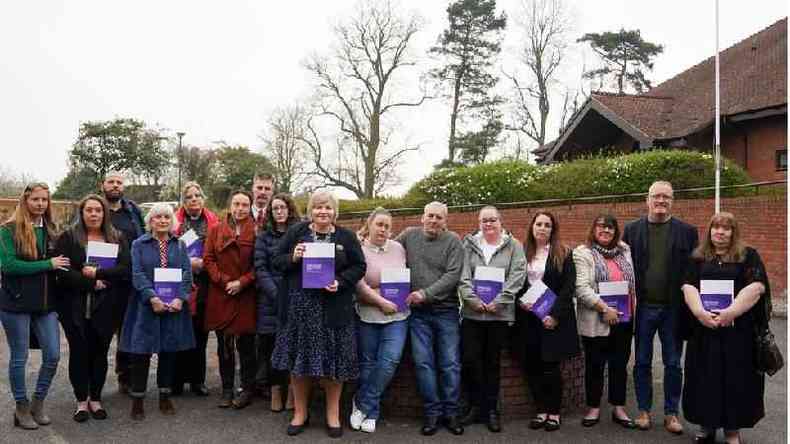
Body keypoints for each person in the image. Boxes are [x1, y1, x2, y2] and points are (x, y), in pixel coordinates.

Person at [271, 191, 366, 438]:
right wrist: (293, 256)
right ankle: (300, 413)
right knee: (299, 365)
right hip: (300, 312)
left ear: (335, 211)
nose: (323, 212)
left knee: (333, 364)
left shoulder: (345, 236)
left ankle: (332, 415)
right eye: (318, 207)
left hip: (334, 310)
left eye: (328, 208)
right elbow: (276, 261)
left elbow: (359, 266)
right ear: (310, 210)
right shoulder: (297, 233)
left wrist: (341, 281)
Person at [681, 212, 768, 444]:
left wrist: (732, 312)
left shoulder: (748, 256)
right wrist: (700, 313)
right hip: (705, 331)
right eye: (716, 227)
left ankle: (732, 431)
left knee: (734, 380)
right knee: (704, 378)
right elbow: (688, 286)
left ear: (733, 232)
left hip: (736, 334)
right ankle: (706, 426)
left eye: (726, 228)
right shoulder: (698, 257)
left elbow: (757, 287)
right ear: (709, 231)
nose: (720, 232)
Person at [622, 180, 698, 434]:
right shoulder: (631, 230)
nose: (661, 201)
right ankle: (644, 411)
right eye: (657, 196)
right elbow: (620, 266)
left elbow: (694, 271)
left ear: (673, 201)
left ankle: (671, 414)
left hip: (674, 309)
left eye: (666, 197)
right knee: (642, 361)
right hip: (643, 308)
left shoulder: (687, 232)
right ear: (647, 199)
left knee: (674, 363)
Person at [55, 194, 131, 422]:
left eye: (98, 210)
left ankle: (95, 399)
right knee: (79, 352)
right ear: (82, 212)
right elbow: (62, 272)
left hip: (106, 306)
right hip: (74, 307)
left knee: (100, 352)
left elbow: (125, 269)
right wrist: (90, 282)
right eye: (89, 210)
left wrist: (100, 274)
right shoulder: (68, 237)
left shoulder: (117, 237)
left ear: (104, 213)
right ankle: (81, 402)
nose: (94, 214)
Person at [119, 202, 195, 421]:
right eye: (157, 217)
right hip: (146, 305)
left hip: (173, 307)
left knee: (168, 351)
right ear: (150, 221)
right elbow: (137, 273)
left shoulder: (180, 245)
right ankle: (138, 399)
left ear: (172, 221)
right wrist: (152, 297)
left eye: (166, 217)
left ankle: (164, 395)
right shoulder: (138, 244)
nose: (162, 221)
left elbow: (186, 275)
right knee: (141, 352)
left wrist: (181, 298)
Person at [395, 201, 464, 436]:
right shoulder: (408, 236)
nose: (434, 220)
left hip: (446, 311)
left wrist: (426, 293)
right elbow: (388, 250)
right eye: (430, 216)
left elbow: (453, 275)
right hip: (418, 315)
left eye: (439, 217)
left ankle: (451, 413)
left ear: (446, 221)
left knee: (450, 364)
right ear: (422, 217)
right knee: (423, 364)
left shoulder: (453, 241)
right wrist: (364, 241)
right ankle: (432, 413)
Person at [0, 182, 65, 429]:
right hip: (15, 304)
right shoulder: (7, 230)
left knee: (52, 355)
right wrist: (47, 265)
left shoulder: (51, 230)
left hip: (45, 305)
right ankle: (21, 407)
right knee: (20, 357)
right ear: (25, 201)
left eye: (44, 200)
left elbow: (65, 260)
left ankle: (38, 403)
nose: (40, 204)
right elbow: (9, 265)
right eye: (35, 199)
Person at [457, 206, 526, 433]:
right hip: (472, 314)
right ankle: (475, 407)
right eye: (484, 221)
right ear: (478, 222)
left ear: (500, 221)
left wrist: (500, 300)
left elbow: (518, 275)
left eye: (492, 220)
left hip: (499, 314)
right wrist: (472, 299)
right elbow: (463, 275)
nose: (488, 224)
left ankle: (491, 410)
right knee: (470, 360)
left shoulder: (514, 246)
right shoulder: (468, 244)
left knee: (492, 363)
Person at [515, 211, 579, 432]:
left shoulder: (563, 253)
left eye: (547, 225)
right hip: (528, 318)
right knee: (531, 366)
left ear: (553, 229)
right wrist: (519, 301)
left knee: (550, 368)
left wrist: (554, 315)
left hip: (552, 319)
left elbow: (568, 287)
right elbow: (515, 282)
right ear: (532, 227)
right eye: (539, 224)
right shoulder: (521, 252)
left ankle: (554, 412)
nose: (542, 228)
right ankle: (540, 410)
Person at [574, 213, 637, 430]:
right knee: (595, 365)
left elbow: (632, 283)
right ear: (593, 229)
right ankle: (593, 407)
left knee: (620, 365)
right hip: (596, 318)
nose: (606, 231)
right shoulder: (583, 253)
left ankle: (618, 407)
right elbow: (581, 288)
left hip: (624, 319)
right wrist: (605, 308)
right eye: (601, 227)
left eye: (610, 227)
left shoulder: (624, 251)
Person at [349, 207, 410, 434]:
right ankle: (372, 413)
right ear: (370, 224)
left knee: (390, 360)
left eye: (387, 226)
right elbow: (359, 284)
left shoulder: (398, 248)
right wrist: (380, 300)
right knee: (367, 364)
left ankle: (362, 404)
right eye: (379, 224)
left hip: (397, 315)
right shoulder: (359, 249)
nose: (383, 229)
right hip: (367, 313)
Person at [204, 191, 258, 409]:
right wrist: (225, 281)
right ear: (230, 205)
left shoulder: (257, 230)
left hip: (246, 294)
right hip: (221, 293)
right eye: (236, 203)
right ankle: (227, 389)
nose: (240, 208)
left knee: (246, 346)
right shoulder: (216, 229)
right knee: (224, 345)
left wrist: (242, 282)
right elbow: (208, 259)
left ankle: (247, 389)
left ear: (250, 207)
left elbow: (260, 263)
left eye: (245, 204)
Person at [253, 193, 300, 412]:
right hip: (270, 301)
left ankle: (292, 391)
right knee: (270, 348)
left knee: (294, 347)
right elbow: (260, 268)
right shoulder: (263, 237)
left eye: (283, 208)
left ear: (290, 210)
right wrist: (276, 294)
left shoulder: (300, 234)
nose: (279, 212)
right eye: (275, 209)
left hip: (296, 298)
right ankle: (275, 392)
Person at [171, 182, 219, 397]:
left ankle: (198, 380)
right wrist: (187, 263)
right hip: (179, 281)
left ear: (203, 198)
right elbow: (166, 249)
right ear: (183, 201)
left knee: (200, 332)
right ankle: (177, 380)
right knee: (179, 330)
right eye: (189, 196)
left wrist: (205, 264)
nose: (193, 199)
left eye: (197, 195)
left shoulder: (214, 222)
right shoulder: (174, 222)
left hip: (205, 283)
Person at [101, 171, 145, 394]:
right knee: (102, 331)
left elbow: (145, 237)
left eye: (119, 182)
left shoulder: (133, 211)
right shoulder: (94, 208)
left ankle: (125, 377)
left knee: (128, 331)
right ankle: (93, 380)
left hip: (131, 278)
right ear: (103, 185)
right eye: (111, 182)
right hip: (105, 280)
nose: (116, 186)